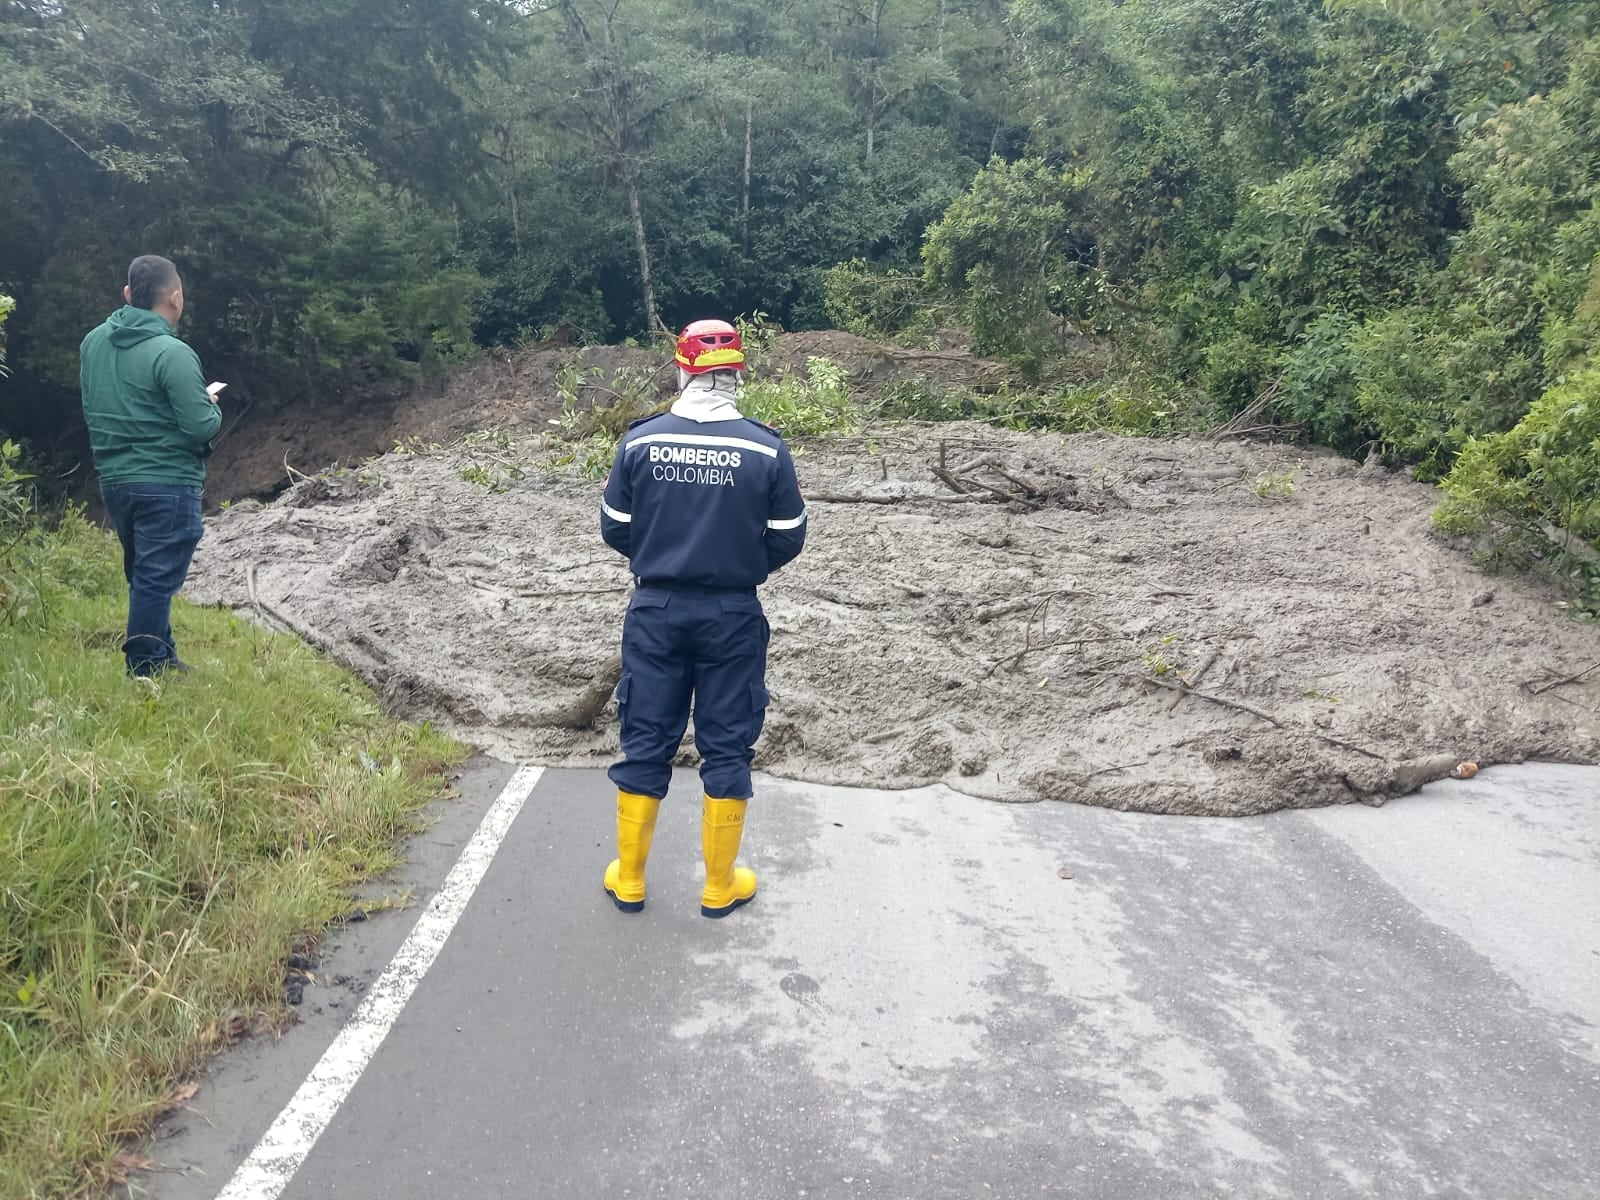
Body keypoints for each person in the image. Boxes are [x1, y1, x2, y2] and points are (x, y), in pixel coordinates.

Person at [599, 319, 807, 918]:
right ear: (737, 373)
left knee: (646, 738)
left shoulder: (640, 442)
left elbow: (615, 526)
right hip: (732, 614)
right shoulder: (766, 448)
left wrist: (661, 555)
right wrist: (739, 564)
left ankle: (630, 879)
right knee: (726, 742)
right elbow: (789, 537)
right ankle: (720, 886)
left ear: (683, 368)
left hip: (656, 611)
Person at [80, 255, 222, 677]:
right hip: (166, 481)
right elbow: (199, 425)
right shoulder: (172, 353)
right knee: (156, 579)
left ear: (128, 294)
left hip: (114, 479)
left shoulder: (92, 343)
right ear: (175, 298)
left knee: (144, 574)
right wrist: (209, 405)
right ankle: (145, 671)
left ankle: (163, 653)